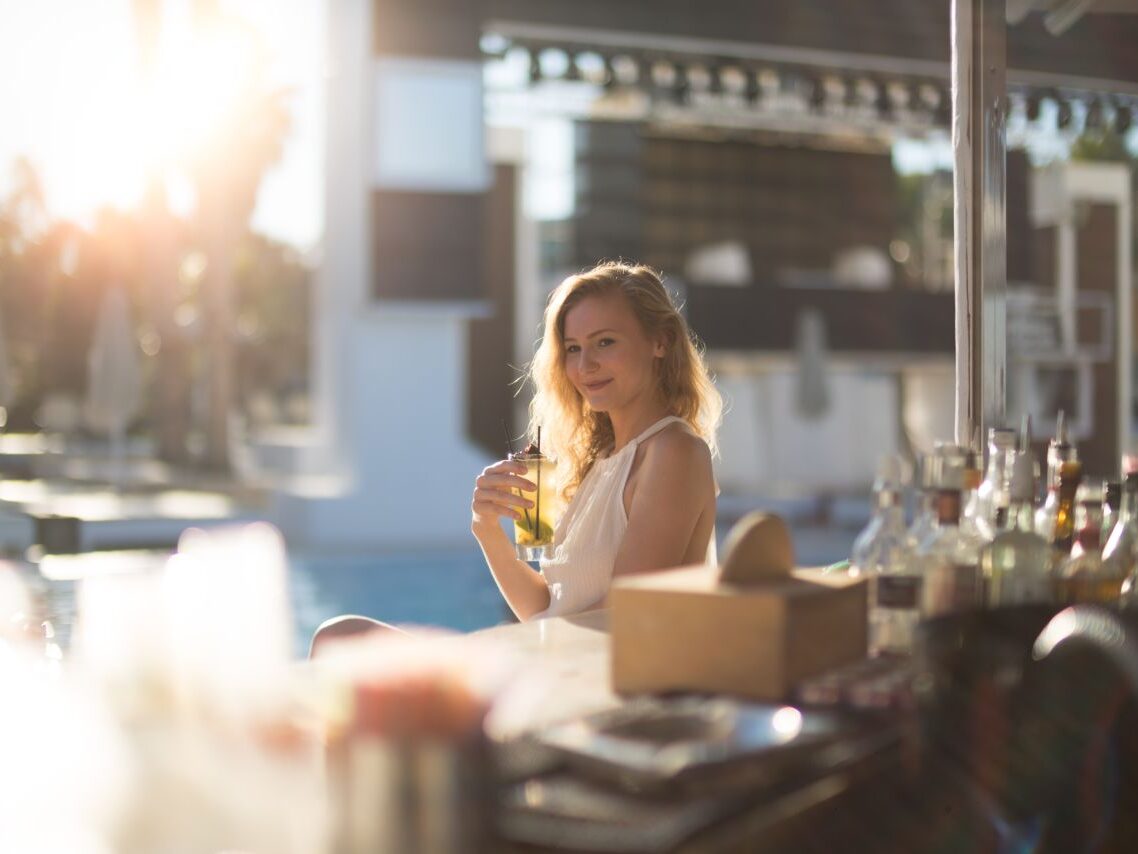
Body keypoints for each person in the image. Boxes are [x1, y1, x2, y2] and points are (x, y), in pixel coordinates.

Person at [472, 261, 722, 621]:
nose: (585, 365)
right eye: (573, 348)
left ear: (660, 341)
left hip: (609, 673)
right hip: (566, 665)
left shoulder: (673, 452)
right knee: (359, 631)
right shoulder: (601, 459)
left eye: (604, 342)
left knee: (361, 634)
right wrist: (487, 530)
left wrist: (519, 649)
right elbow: (545, 608)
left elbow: (624, 612)